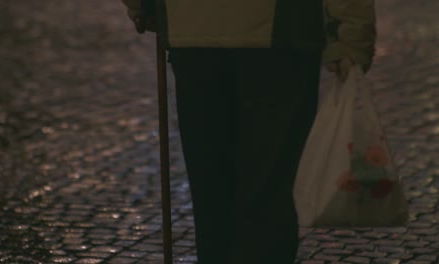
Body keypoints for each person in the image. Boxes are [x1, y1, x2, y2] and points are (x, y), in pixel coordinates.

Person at [120, 0, 376, 263]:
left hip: (193, 30)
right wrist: (352, 33)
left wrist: (144, 6)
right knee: (269, 190)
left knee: (212, 189)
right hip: (281, 35)